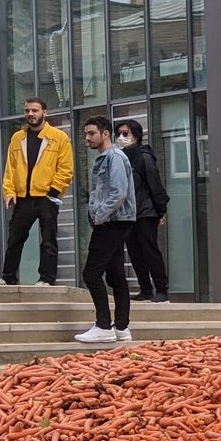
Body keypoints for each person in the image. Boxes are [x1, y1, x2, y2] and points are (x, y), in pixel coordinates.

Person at [0, 98, 75, 286]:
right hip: (23, 197)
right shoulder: (18, 138)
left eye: (34, 110)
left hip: (46, 196)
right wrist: (9, 192)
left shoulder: (59, 137)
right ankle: (8, 278)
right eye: (27, 111)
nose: (30, 114)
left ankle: (47, 279)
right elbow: (10, 168)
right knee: (14, 239)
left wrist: (54, 191)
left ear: (45, 113)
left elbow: (66, 168)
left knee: (48, 240)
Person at [76, 115, 137, 344]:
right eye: (86, 134)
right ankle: (121, 327)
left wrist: (100, 216)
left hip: (113, 222)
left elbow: (119, 192)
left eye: (91, 133)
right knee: (115, 275)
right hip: (115, 222)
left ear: (105, 134)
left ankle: (103, 325)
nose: (87, 138)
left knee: (91, 273)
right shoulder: (107, 158)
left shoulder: (114, 157)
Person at [115, 119, 172, 302]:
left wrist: (160, 210)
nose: (121, 137)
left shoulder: (144, 157)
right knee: (135, 253)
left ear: (136, 136)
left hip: (145, 212)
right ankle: (145, 289)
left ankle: (161, 289)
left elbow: (154, 184)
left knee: (150, 251)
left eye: (126, 133)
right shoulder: (121, 157)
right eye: (119, 134)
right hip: (128, 214)